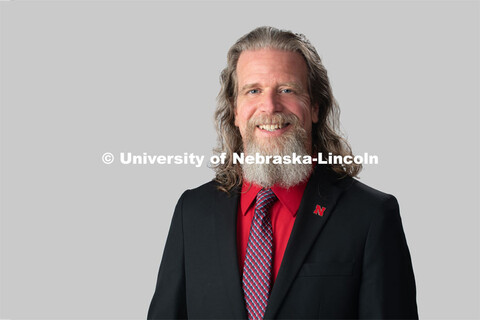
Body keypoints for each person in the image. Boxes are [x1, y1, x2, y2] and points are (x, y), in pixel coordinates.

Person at [148, 26, 418, 319]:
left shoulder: (371, 216)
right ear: (235, 111)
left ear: (314, 107)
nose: (270, 106)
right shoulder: (193, 212)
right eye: (253, 91)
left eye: (287, 90)